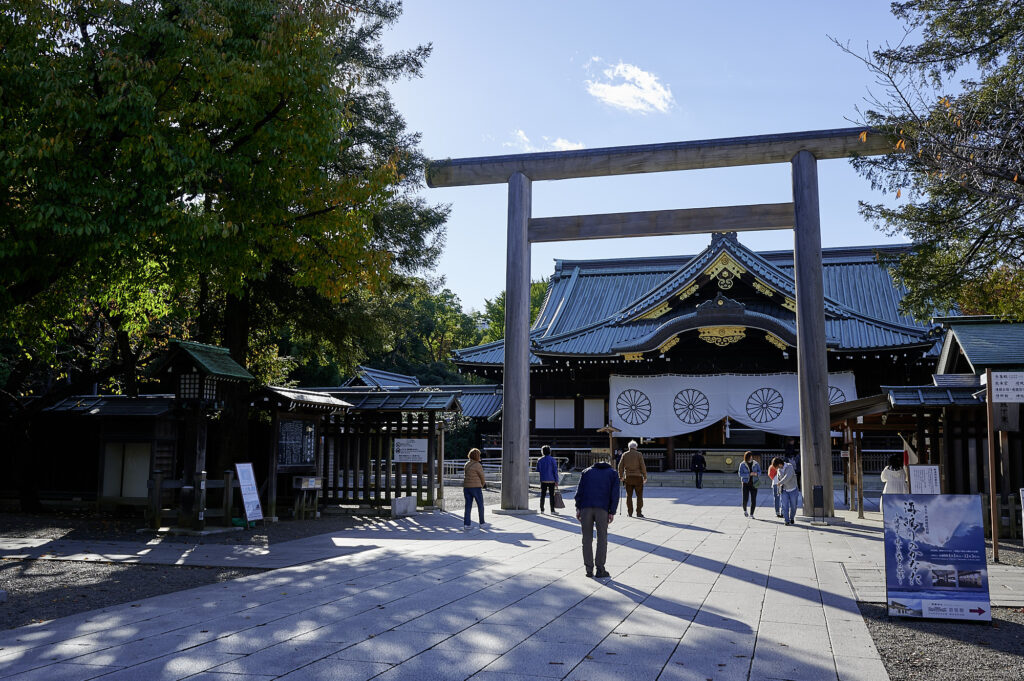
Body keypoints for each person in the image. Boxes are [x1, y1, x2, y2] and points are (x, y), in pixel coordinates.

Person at [575, 452, 619, 578]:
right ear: (608, 463)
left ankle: (589, 570)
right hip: (603, 509)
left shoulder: (586, 472)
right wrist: (612, 511)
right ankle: (600, 569)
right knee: (602, 539)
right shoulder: (612, 473)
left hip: (586, 508)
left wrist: (578, 508)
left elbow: (579, 492)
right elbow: (614, 494)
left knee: (586, 539)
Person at [617, 440, 648, 518]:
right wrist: (645, 476)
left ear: (629, 447)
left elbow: (620, 467)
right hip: (638, 477)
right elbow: (643, 466)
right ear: (635, 447)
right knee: (639, 496)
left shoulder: (625, 454)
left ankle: (630, 513)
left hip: (628, 477)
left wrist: (621, 476)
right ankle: (639, 513)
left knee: (629, 496)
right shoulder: (639, 454)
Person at [462, 448, 486, 530]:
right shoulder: (478, 465)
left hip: (466, 487)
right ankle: (482, 523)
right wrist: (482, 485)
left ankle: (467, 524)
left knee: (468, 506)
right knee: (480, 505)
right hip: (476, 487)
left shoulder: (467, 464)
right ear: (477, 456)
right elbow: (482, 476)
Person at [772, 457, 800, 525]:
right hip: (784, 490)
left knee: (793, 506)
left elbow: (787, 477)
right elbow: (779, 480)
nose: (777, 468)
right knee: (784, 506)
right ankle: (786, 520)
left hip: (793, 489)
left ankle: (792, 518)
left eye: (777, 466)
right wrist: (779, 490)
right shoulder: (779, 470)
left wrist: (780, 483)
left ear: (779, 464)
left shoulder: (789, 466)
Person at [537, 445, 560, 514]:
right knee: (551, 495)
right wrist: (556, 480)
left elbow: (538, 470)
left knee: (542, 495)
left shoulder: (540, 460)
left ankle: (542, 510)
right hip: (552, 479)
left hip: (543, 479)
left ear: (542, 452)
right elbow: (555, 471)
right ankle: (552, 510)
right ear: (550, 451)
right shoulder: (553, 459)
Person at [737, 451, 761, 518]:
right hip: (745, 483)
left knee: (753, 499)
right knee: (745, 499)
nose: (751, 458)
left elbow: (760, 472)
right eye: (749, 457)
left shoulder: (756, 463)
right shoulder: (742, 464)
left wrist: (756, 474)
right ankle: (745, 510)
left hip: (754, 483)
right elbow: (740, 474)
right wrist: (749, 474)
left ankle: (752, 514)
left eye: (751, 457)